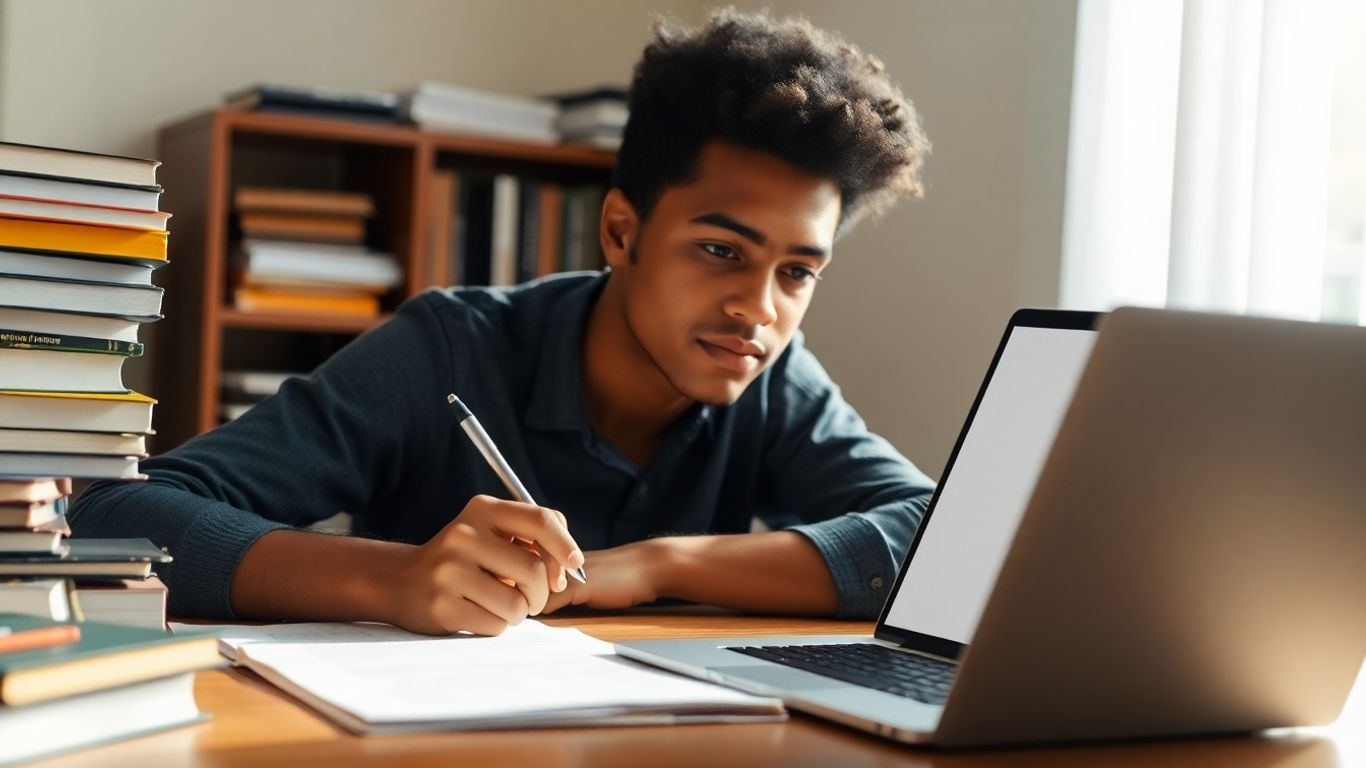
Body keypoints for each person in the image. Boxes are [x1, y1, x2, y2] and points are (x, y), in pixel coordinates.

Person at [71, 8, 934, 636]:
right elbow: (110, 514)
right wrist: (391, 580)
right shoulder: (450, 347)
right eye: (720, 251)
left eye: (798, 272)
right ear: (622, 230)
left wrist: (654, 566)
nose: (759, 307)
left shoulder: (776, 376)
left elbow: (937, 534)